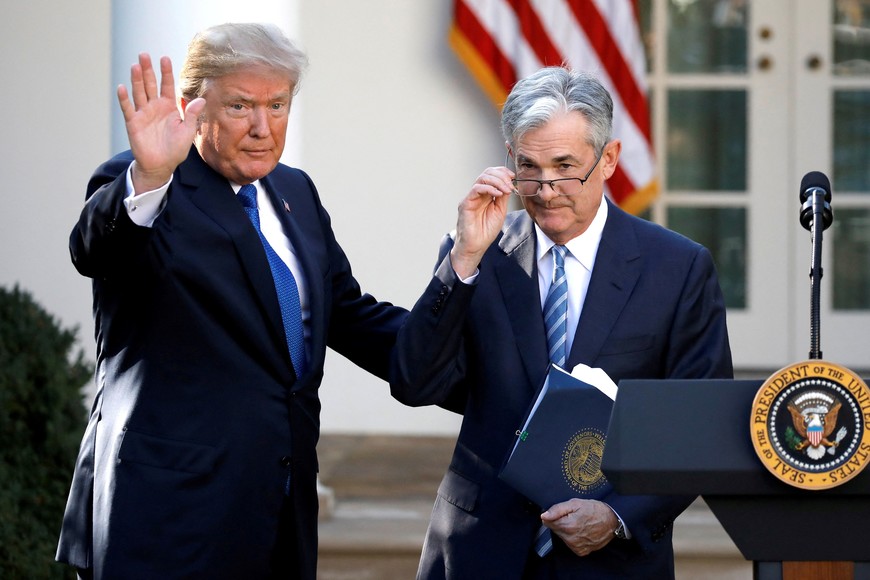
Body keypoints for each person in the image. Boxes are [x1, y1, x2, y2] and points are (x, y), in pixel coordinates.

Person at [56, 23, 406, 580]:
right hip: (165, 516)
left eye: (277, 104)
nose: (262, 127)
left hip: (278, 510)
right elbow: (95, 251)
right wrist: (149, 175)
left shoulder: (296, 191)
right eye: (241, 106)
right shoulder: (148, 183)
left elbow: (348, 314)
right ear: (194, 107)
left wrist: (465, 338)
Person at [390, 67, 733, 579]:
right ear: (510, 159)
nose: (546, 191)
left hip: (610, 561)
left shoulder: (677, 267)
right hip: (480, 551)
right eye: (529, 167)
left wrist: (618, 515)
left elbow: (701, 423)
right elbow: (415, 382)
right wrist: (461, 261)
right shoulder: (476, 254)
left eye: (565, 167)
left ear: (608, 159)